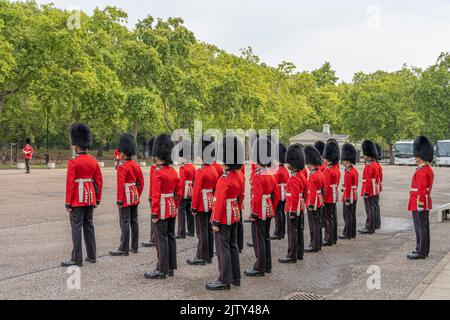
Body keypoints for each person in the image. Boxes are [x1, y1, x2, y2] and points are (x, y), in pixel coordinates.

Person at [206, 136, 245, 291]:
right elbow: (241, 196)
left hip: (223, 217)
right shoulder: (239, 175)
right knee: (233, 246)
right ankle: (236, 277)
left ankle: (224, 279)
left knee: (223, 249)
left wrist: (215, 221)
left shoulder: (224, 178)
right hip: (235, 214)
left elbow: (220, 202)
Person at [61, 123, 103, 267]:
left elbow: (70, 183)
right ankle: (92, 256)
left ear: (76, 145)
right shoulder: (93, 160)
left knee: (76, 228)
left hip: (77, 199)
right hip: (90, 197)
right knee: (89, 226)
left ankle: (76, 259)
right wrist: (97, 198)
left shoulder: (74, 162)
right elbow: (99, 181)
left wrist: (68, 202)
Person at [144, 134, 180, 279]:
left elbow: (156, 196)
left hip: (162, 208)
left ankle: (161, 269)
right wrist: (174, 206)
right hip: (171, 208)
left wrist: (154, 213)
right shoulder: (173, 171)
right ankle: (171, 267)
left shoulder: (158, 173)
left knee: (161, 239)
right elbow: (178, 194)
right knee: (170, 237)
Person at [245, 137, 280, 277]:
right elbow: (276, 194)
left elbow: (257, 197)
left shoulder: (258, 175)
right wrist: (272, 207)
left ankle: (259, 267)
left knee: (258, 239)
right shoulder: (270, 173)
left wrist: (254, 213)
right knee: (266, 238)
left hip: (259, 211)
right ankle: (267, 265)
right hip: (268, 209)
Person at [110, 133, 144, 257]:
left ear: (123, 152)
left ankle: (123, 248)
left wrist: (119, 200)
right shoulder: (136, 164)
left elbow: (121, 185)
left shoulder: (122, 166)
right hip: (134, 196)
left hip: (125, 197)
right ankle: (134, 247)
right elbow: (141, 182)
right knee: (134, 220)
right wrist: (137, 194)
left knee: (124, 222)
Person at [187, 135, 219, 266]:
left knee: (201, 232)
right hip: (211, 202)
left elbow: (196, 191)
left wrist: (193, 207)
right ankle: (209, 255)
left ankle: (201, 256)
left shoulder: (201, 171)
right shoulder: (213, 169)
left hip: (201, 204)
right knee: (209, 230)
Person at [279, 144, 307, 264]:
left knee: (292, 232)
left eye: (289, 162)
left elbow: (294, 196)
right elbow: (304, 193)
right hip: (299, 206)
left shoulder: (294, 177)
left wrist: (293, 211)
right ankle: (299, 253)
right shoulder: (302, 174)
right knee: (299, 230)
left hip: (293, 207)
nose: (287, 164)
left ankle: (291, 255)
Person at [407, 136, 434, 260]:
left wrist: (420, 204)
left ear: (420, 156)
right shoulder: (427, 169)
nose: (415, 158)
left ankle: (420, 251)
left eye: (416, 156)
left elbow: (422, 191)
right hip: (421, 202)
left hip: (419, 203)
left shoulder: (422, 171)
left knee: (420, 228)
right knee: (424, 227)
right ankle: (424, 250)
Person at [304, 145, 325, 253]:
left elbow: (312, 192)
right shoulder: (320, 173)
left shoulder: (312, 175)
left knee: (313, 225)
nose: (307, 166)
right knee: (318, 223)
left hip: (314, 202)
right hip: (319, 200)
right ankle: (318, 244)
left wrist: (311, 205)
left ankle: (313, 245)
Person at [322, 140, 341, 246]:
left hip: (328, 196)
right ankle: (333, 238)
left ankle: (328, 238)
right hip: (334, 195)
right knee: (332, 217)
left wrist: (323, 199)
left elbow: (326, 187)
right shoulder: (336, 169)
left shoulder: (328, 170)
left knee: (328, 218)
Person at [176, 140, 196, 239]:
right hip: (191, 191)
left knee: (181, 211)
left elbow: (181, 183)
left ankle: (181, 232)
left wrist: (179, 194)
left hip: (184, 191)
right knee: (189, 211)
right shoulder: (193, 167)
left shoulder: (183, 168)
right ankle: (191, 231)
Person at [339, 144, 359, 240]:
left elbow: (348, 187)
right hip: (354, 195)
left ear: (347, 161)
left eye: (343, 161)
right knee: (352, 215)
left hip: (349, 195)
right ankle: (352, 233)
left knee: (347, 216)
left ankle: (347, 233)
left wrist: (346, 198)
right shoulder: (354, 171)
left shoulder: (348, 173)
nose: (342, 162)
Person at [359, 140, 379, 235]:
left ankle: (369, 227)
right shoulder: (374, 164)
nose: (364, 156)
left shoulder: (369, 166)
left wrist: (366, 192)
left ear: (368, 155)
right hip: (373, 189)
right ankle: (371, 226)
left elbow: (367, 181)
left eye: (365, 154)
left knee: (369, 209)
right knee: (372, 208)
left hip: (369, 190)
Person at [272, 143, 289, 241]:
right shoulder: (284, 169)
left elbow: (273, 183)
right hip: (284, 193)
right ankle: (281, 232)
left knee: (278, 213)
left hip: (278, 193)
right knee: (281, 212)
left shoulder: (278, 170)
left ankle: (278, 232)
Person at [142, 137, 157, 248]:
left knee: (154, 218)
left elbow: (153, 185)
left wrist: (151, 196)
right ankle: (154, 237)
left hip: (155, 196)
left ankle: (153, 238)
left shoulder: (155, 168)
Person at [374, 144, 384, 230]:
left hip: (374, 187)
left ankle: (375, 223)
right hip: (377, 187)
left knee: (374, 206)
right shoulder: (377, 165)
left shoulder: (375, 165)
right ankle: (377, 223)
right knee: (376, 205)